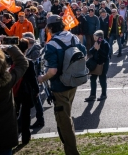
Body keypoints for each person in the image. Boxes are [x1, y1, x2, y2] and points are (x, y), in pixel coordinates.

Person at [38, 15, 86, 155]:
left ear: (50, 28)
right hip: (73, 82)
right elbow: (84, 53)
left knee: (64, 123)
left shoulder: (51, 44)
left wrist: (42, 78)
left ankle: (72, 152)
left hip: (59, 86)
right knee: (66, 117)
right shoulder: (73, 37)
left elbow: (52, 70)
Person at [14, 39, 39, 145]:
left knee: (13, 114)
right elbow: (33, 78)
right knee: (26, 114)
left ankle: (13, 136)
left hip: (14, 90)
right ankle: (25, 137)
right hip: (26, 90)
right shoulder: (28, 62)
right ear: (26, 48)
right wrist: (36, 90)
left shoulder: (12, 61)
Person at [85, 30, 110, 102]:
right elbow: (91, 51)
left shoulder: (105, 44)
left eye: (95, 36)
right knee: (92, 79)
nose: (94, 37)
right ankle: (92, 95)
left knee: (102, 79)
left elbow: (105, 55)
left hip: (103, 64)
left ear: (100, 37)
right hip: (95, 64)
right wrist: (95, 48)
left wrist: (98, 49)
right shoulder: (97, 42)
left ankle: (104, 94)